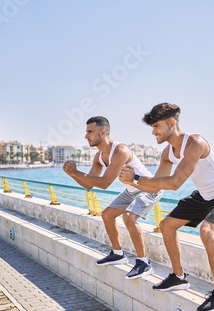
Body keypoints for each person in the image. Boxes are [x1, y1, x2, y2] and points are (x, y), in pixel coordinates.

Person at [119, 103, 214, 311]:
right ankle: (178, 277)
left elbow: (175, 183)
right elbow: (157, 182)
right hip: (204, 196)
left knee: (206, 232)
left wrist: (137, 178)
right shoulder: (168, 152)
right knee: (167, 225)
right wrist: (132, 182)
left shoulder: (195, 143)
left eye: (156, 126)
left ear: (171, 123)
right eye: (152, 127)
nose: (153, 131)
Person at [63, 116, 163, 279]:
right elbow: (89, 185)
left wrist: (76, 172)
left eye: (90, 132)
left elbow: (104, 183)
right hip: (132, 190)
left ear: (103, 132)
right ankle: (118, 254)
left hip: (148, 188)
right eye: (86, 132)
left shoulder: (120, 151)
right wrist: (73, 175)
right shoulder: (99, 157)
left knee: (129, 217)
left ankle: (143, 263)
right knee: (107, 214)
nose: (86, 136)